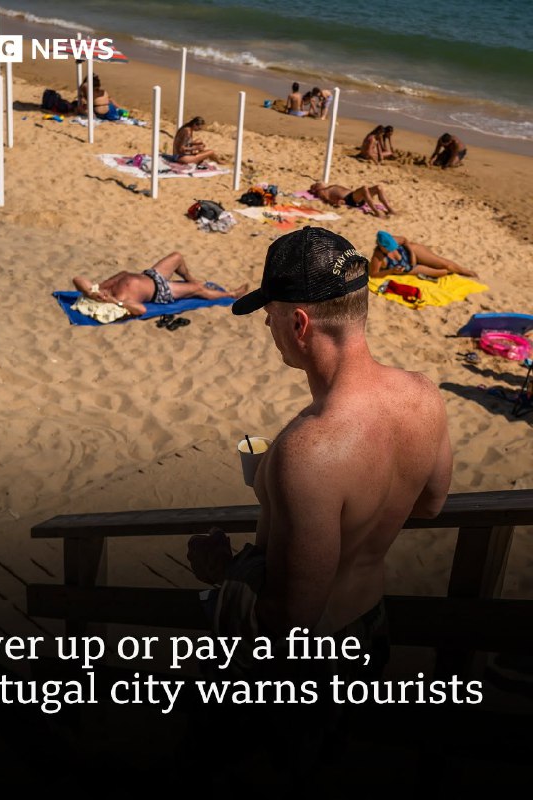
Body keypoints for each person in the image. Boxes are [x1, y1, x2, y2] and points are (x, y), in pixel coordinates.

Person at [186, 227, 453, 782]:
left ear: (300, 324)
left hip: (310, 659)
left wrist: (225, 569)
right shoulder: (424, 394)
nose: (266, 325)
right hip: (370, 629)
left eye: (270, 314)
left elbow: (291, 616)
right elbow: (429, 505)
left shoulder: (307, 450)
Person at [72, 251, 248, 317]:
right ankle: (232, 294)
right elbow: (141, 310)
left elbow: (77, 279)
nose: (102, 294)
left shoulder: (100, 289)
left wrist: (90, 292)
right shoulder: (117, 301)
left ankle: (190, 278)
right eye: (101, 297)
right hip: (161, 290)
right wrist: (113, 302)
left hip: (150, 274)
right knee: (198, 290)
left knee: (177, 257)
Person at [370, 230, 478, 277]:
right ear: (381, 246)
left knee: (442, 263)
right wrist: (391, 271)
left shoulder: (394, 239)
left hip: (410, 252)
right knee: (442, 272)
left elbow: (404, 240)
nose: (392, 249)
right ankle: (455, 271)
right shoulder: (377, 257)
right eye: (388, 248)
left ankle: (464, 270)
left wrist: (411, 254)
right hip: (403, 267)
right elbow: (373, 274)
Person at [309, 180, 395, 217]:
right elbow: (326, 200)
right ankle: (377, 212)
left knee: (378, 187)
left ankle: (390, 209)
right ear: (315, 189)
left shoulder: (328, 187)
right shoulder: (321, 191)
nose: (319, 183)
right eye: (317, 184)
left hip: (355, 196)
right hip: (350, 199)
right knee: (364, 188)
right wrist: (336, 202)